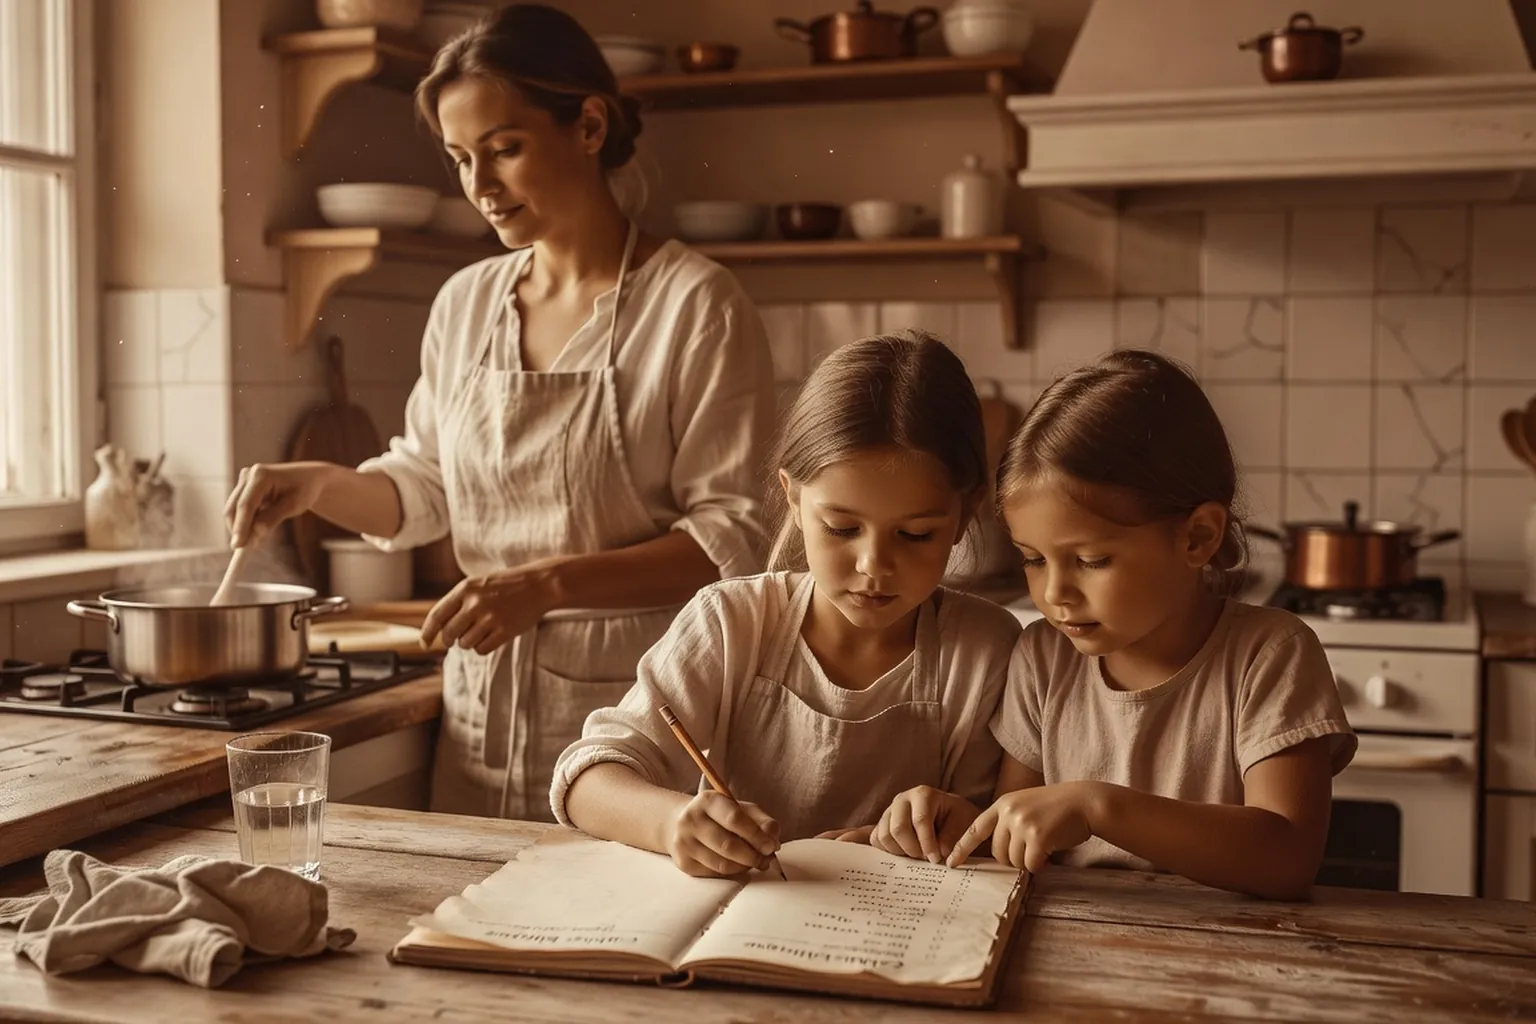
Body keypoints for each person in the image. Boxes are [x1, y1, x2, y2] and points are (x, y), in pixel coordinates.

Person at [224, 4, 776, 820]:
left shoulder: (696, 305)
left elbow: (731, 538)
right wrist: (319, 486)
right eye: (459, 159)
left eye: (504, 150)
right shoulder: (466, 304)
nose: (480, 186)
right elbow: (426, 484)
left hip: (640, 723)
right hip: (480, 720)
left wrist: (545, 585)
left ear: (589, 125)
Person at [871, 350, 1357, 900]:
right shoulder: (1043, 659)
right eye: (1033, 559)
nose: (1054, 594)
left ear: (1198, 537)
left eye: (1092, 561)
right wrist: (955, 825)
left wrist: (1099, 806)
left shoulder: (1270, 656)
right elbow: (1021, 839)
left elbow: (1287, 858)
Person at [552, 333, 1022, 878]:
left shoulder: (986, 651)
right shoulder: (733, 622)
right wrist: (671, 822)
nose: (873, 564)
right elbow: (586, 777)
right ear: (795, 499)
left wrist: (943, 828)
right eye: (843, 528)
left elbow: (992, 840)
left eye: (915, 534)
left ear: (965, 516)